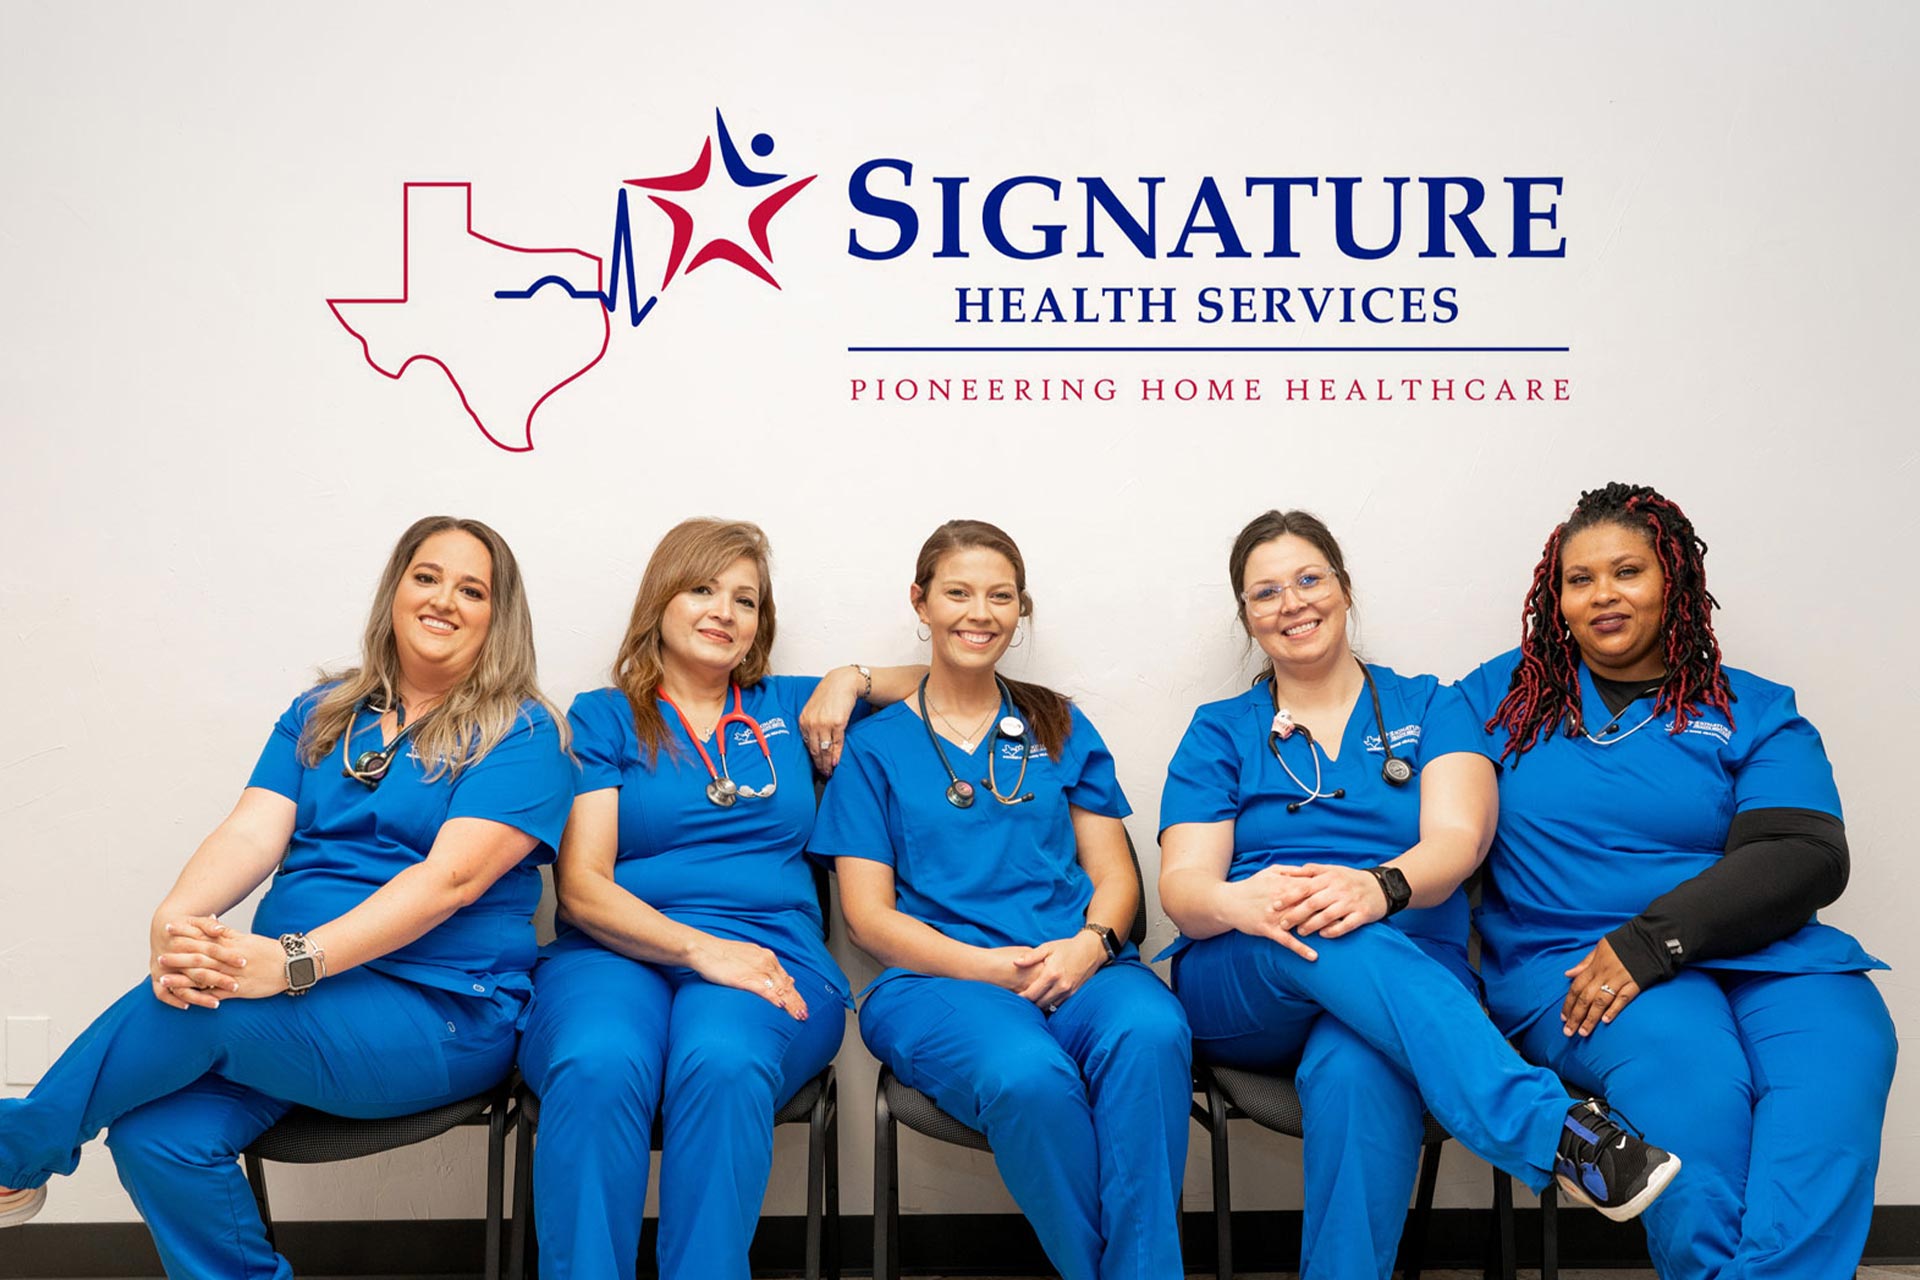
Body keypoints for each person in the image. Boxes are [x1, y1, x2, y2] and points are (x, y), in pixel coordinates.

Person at [0, 516, 573, 1278]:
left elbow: (450, 881)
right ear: (395, 590)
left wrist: (293, 962)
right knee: (155, 1138)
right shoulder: (325, 711)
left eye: (473, 590)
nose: (444, 600)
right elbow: (250, 835)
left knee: (211, 1004)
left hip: (440, 1014)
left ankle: (14, 1154)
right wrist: (175, 922)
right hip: (296, 1007)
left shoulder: (523, 732)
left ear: (498, 619)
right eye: (426, 576)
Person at [1158, 510, 1684, 1280]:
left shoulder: (1433, 707)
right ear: (1246, 615)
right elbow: (1183, 886)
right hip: (1250, 968)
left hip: (1405, 967)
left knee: (1357, 1074)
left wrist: (1376, 888)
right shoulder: (1221, 730)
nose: (1292, 603)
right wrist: (1245, 903)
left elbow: (1457, 841)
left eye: (1309, 579)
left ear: (1343, 587)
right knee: (1324, 926)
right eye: (1265, 592)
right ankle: (1553, 1131)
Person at [1456, 482, 1895, 1280]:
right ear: (1555, 598)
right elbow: (1408, 794)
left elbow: (1804, 852)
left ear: (1674, 581)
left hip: (1765, 956)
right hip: (1579, 969)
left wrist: (1654, 939)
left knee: (1842, 1064)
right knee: (1696, 1091)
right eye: (1579, 580)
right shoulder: (1502, 699)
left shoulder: (1751, 709)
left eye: (1627, 571)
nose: (1602, 597)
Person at [513, 517, 921, 1280]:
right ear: (660, 601)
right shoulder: (606, 715)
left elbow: (942, 679)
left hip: (774, 954)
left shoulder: (789, 706)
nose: (723, 611)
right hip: (615, 948)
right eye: (702, 588)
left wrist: (850, 677)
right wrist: (700, 949)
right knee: (598, 1061)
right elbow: (583, 885)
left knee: (723, 1060)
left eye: (746, 599)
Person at [811, 518, 1193, 1280]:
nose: (978, 613)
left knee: (1152, 1033)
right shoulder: (877, 748)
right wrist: (990, 969)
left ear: (1022, 611)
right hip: (937, 983)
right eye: (956, 592)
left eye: (1000, 596)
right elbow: (869, 918)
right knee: (1027, 1079)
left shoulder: (1055, 722)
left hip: (1076, 965)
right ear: (919, 603)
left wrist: (1090, 946)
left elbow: (1116, 877)